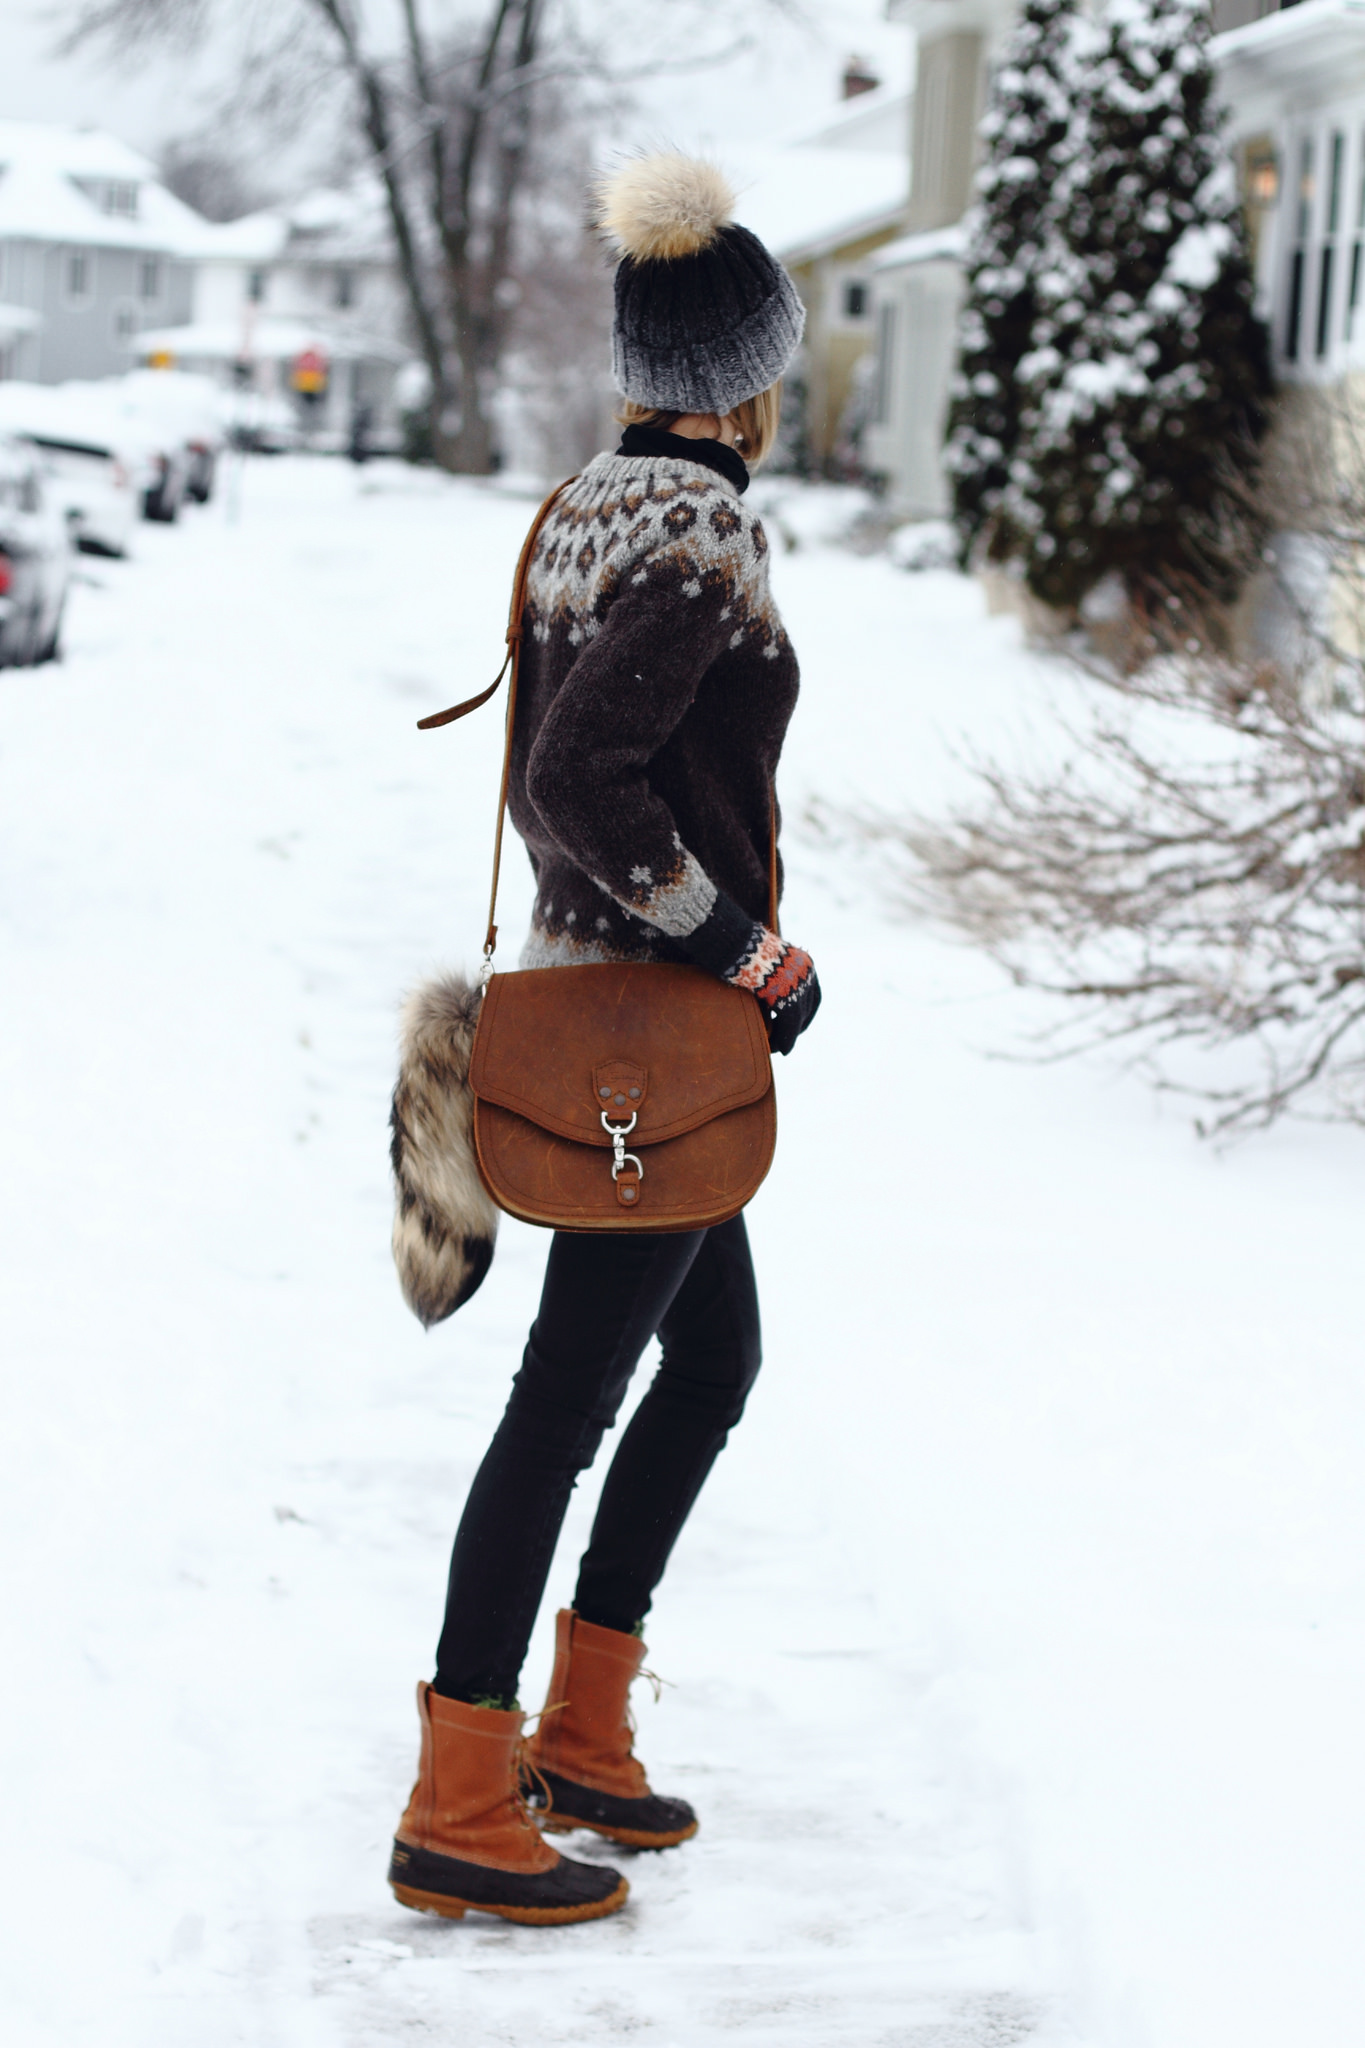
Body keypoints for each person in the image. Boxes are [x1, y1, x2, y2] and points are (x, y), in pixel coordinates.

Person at [388, 153, 821, 1928]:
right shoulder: (704, 522)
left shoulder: (575, 500)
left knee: (706, 1367)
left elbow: (562, 770)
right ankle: (460, 1795)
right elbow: (583, 781)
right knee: (563, 1406)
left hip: (603, 1009)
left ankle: (576, 1730)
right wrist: (743, 949)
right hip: (652, 1022)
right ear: (748, 377)